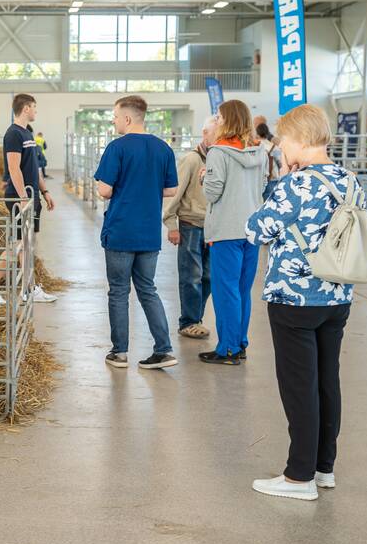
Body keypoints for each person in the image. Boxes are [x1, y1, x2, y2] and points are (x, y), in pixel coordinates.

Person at [245, 104, 360, 501]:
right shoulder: (348, 179)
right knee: (327, 381)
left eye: (282, 142)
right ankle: (323, 467)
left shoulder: (296, 184)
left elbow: (257, 229)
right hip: (337, 294)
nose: (279, 150)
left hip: (295, 298)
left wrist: (279, 186)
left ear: (299, 139)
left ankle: (298, 478)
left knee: (299, 387)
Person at [94, 95, 178, 369]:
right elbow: (170, 190)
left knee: (119, 291)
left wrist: (120, 189)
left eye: (116, 116)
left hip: (121, 230)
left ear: (127, 118)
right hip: (148, 234)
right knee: (147, 289)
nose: (114, 120)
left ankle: (119, 353)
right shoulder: (163, 148)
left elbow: (105, 190)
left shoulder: (117, 148)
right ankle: (163, 349)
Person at [199, 100, 265, 365]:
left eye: (218, 116)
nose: (217, 120)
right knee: (242, 290)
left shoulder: (219, 152)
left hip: (226, 229)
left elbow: (213, 193)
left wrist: (205, 177)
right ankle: (240, 343)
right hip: (251, 229)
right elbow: (262, 186)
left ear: (227, 120)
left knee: (225, 291)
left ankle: (227, 349)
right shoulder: (259, 153)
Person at [0, 94, 57, 305]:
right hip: (19, 197)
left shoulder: (27, 133)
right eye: (34, 107)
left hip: (32, 195)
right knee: (19, 243)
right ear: (26, 108)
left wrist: (45, 191)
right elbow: (13, 168)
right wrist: (23, 197)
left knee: (26, 244)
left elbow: (34, 168)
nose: (36, 111)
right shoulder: (13, 134)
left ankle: (27, 288)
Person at [164, 117, 216, 340]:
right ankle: (188, 321)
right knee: (191, 276)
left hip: (212, 227)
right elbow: (174, 193)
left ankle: (196, 317)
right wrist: (171, 224)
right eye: (217, 134)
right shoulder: (192, 160)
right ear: (205, 133)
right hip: (191, 226)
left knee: (209, 277)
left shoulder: (218, 160)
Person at [255, 117, 282, 200]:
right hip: (273, 178)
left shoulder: (255, 147)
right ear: (267, 133)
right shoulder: (273, 147)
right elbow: (280, 163)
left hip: (258, 180)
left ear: (257, 134)